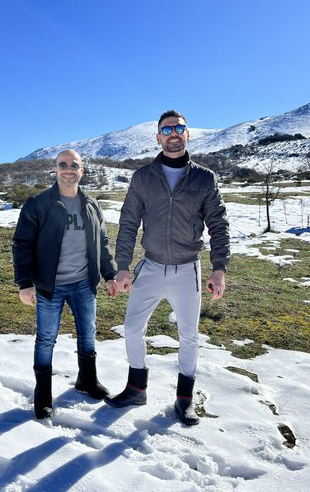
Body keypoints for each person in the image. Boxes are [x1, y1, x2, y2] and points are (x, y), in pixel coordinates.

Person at [105, 110, 230, 426]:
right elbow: (129, 223)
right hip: (150, 268)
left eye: (179, 128)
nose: (173, 134)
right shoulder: (143, 178)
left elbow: (218, 223)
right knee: (132, 328)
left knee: (189, 335)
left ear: (188, 134)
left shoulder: (204, 179)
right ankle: (136, 388)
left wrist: (219, 269)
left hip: (188, 271)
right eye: (166, 129)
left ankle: (184, 399)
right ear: (158, 137)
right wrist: (122, 268)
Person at [12, 149, 118, 419]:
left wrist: (110, 275)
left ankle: (87, 381)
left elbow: (102, 244)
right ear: (55, 169)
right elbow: (22, 244)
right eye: (63, 165)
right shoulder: (38, 204)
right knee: (46, 340)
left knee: (88, 334)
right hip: (51, 286)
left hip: (84, 283)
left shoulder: (92, 205)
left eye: (74, 165)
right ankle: (43, 396)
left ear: (82, 170)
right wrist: (25, 282)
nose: (68, 169)